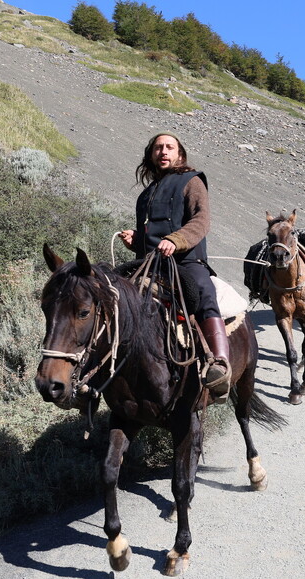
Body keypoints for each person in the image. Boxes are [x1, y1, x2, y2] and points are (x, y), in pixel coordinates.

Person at [118, 132, 231, 397]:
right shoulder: (145, 195)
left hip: (186, 261)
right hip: (150, 263)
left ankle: (219, 365)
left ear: (179, 154)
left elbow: (202, 220)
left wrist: (176, 239)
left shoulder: (191, 181)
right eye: (158, 147)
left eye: (170, 147)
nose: (164, 151)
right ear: (151, 155)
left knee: (204, 292)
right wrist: (136, 240)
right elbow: (150, 239)